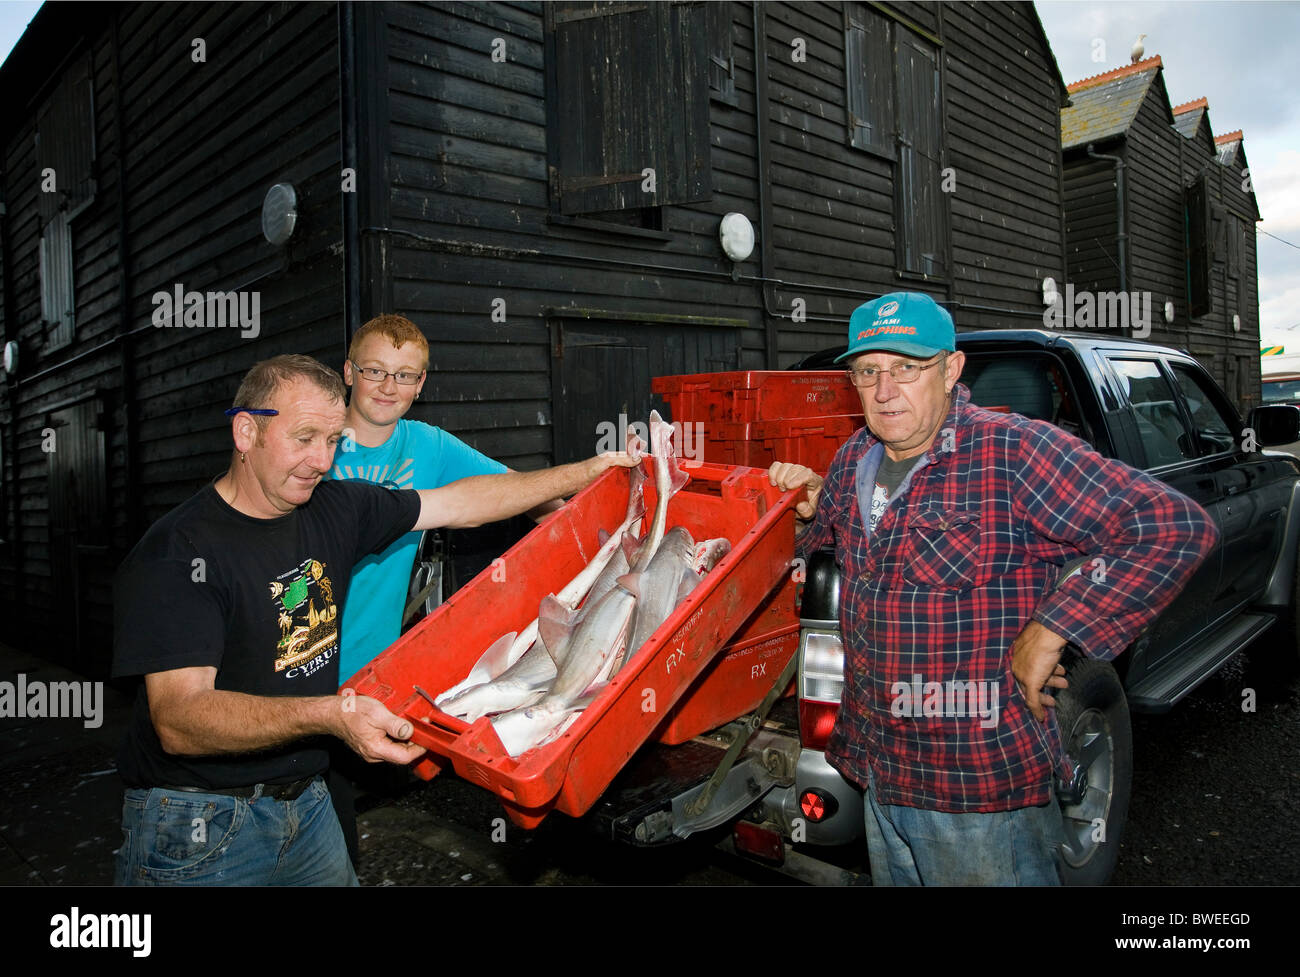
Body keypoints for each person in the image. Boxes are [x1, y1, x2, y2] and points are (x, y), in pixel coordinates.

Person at [112, 354, 639, 886]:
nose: (320, 460)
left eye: (333, 440)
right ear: (246, 431)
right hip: (201, 821)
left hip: (308, 800)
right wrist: (332, 716)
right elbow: (179, 720)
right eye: (304, 438)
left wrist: (585, 473)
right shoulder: (179, 554)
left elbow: (463, 502)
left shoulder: (335, 508)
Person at [768, 291, 1217, 886]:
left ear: (951, 370)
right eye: (868, 372)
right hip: (879, 773)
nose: (883, 390)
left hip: (976, 791)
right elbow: (824, 539)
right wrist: (804, 511)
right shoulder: (856, 459)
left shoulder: (1012, 451)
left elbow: (1171, 527)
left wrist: (1054, 628)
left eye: (907, 368)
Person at [326, 313, 562, 867]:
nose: (389, 387)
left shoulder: (427, 446)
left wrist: (581, 512)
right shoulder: (318, 441)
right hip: (296, 664)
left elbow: (514, 491)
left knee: (333, 834)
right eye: (376, 371)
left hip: (368, 667)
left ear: (422, 384)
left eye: (406, 376)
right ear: (348, 372)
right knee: (302, 819)